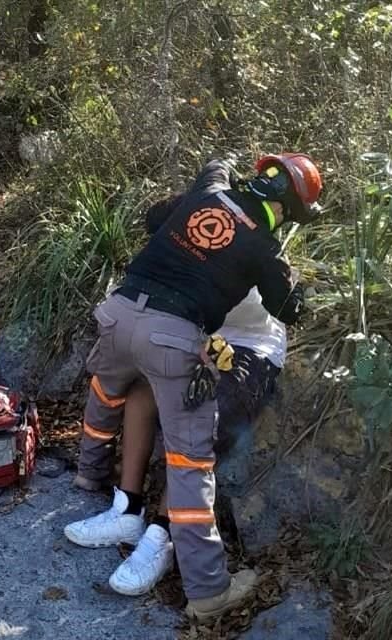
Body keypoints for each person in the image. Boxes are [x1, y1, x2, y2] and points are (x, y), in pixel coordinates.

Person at [71, 154, 322, 622]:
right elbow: (290, 307)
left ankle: (150, 528)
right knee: (163, 421)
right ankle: (150, 529)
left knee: (167, 413)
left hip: (200, 335)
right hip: (182, 334)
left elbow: (285, 309)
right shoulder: (249, 237)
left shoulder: (232, 219)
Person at [65, 286, 286, 597]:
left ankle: (162, 534)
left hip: (248, 346)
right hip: (188, 333)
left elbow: (255, 302)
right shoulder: (177, 239)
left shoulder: (248, 242)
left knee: (198, 413)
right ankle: (128, 509)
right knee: (142, 391)